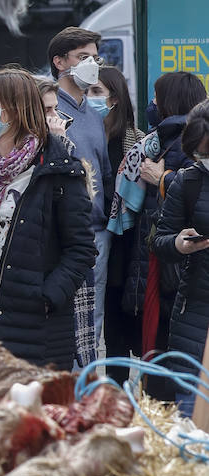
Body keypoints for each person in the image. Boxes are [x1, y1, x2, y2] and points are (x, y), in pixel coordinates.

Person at [0, 67, 96, 368]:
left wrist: (46, 296)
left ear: (16, 109)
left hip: (34, 324)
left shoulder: (57, 168)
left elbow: (81, 249)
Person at [126, 71, 207, 371]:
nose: (152, 103)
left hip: (176, 280)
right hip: (176, 272)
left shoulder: (178, 148)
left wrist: (163, 179)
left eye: (157, 98)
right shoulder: (157, 142)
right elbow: (163, 237)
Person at [49, 27, 112, 350]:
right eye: (83, 57)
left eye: (95, 58)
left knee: (91, 324)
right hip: (60, 233)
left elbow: (103, 172)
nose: (92, 65)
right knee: (62, 321)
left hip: (96, 232)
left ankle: (85, 389)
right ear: (60, 62)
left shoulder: (93, 113)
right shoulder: (48, 108)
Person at [154, 101, 209, 415]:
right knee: (190, 414)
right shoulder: (188, 181)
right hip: (196, 312)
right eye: (199, 155)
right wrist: (178, 244)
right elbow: (160, 240)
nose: (204, 160)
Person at [92, 66, 143, 368]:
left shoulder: (137, 141)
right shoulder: (84, 138)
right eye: (87, 92)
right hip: (98, 250)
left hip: (127, 251)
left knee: (127, 333)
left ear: (116, 98)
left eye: (97, 92)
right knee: (108, 334)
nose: (90, 98)